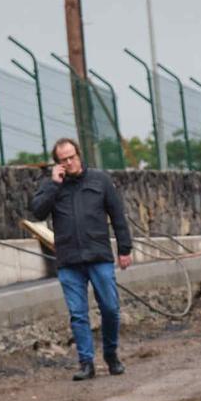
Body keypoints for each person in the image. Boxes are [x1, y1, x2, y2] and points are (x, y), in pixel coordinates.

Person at [29, 137, 132, 380]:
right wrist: (54, 185)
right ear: (57, 164)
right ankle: (86, 363)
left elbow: (117, 215)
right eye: (64, 160)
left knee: (110, 308)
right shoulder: (51, 185)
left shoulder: (100, 180)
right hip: (69, 260)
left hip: (99, 256)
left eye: (72, 157)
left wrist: (125, 249)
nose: (69, 162)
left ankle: (111, 355)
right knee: (78, 314)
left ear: (79, 155)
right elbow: (38, 212)